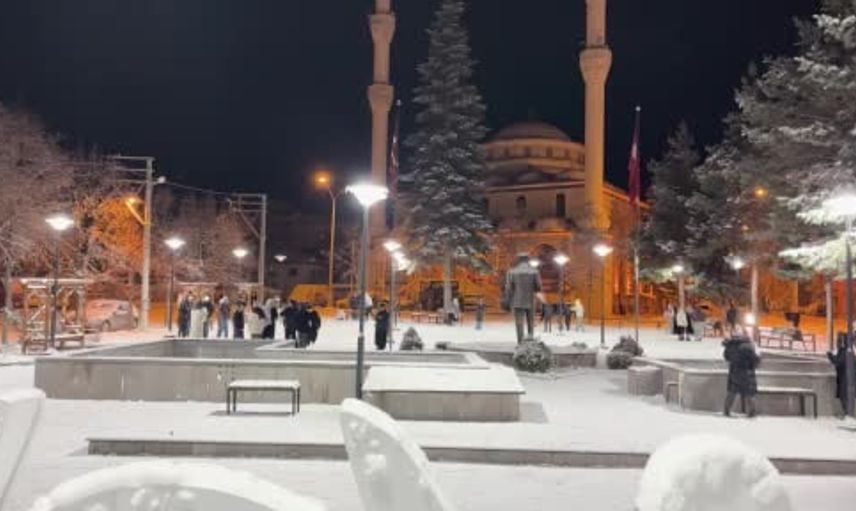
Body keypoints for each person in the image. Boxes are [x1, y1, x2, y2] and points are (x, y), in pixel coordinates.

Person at [504, 254, 543, 344]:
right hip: (530, 301)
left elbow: (509, 288)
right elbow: (538, 287)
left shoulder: (512, 272)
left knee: (519, 324)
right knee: (530, 323)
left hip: (517, 301)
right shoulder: (534, 272)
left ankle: (520, 342)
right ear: (528, 260)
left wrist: (509, 300)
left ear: (518, 260)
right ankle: (530, 341)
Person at [723, 331, 760, 417]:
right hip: (747, 372)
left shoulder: (731, 345)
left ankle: (726, 410)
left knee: (732, 392)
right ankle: (752, 412)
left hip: (734, 371)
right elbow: (755, 360)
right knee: (749, 393)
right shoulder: (748, 346)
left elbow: (726, 357)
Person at [827, 334, 851, 415]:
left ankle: (847, 413)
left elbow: (838, 363)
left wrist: (830, 356)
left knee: (844, 397)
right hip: (843, 378)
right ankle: (846, 413)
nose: (837, 343)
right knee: (843, 397)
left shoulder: (845, 352)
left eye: (838, 341)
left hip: (845, 379)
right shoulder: (843, 351)